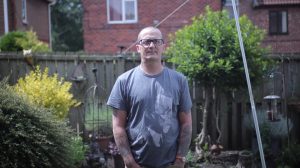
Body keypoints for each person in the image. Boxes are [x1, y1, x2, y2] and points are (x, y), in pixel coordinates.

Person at [107, 26, 192, 168]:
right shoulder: (124, 81)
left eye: (156, 41)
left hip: (171, 164)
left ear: (163, 47)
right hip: (137, 164)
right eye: (147, 42)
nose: (152, 45)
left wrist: (180, 160)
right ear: (138, 47)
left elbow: (187, 124)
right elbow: (118, 126)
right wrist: (129, 162)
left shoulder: (179, 80)